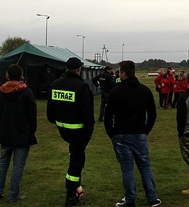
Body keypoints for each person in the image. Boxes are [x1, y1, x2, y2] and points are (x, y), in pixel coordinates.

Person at [104, 60, 161, 207]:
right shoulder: (144, 90)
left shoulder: (115, 91)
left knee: (127, 169)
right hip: (139, 134)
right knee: (144, 166)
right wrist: (145, 130)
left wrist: (111, 133)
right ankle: (152, 198)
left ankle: (130, 199)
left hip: (121, 134)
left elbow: (108, 116)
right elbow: (152, 114)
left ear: (123, 73)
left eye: (119, 71)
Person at [47, 57, 94, 206]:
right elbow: (88, 115)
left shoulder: (55, 84)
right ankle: (71, 194)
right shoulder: (82, 87)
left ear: (66, 68)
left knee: (75, 157)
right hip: (79, 132)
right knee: (76, 162)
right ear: (79, 69)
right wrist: (88, 133)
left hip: (62, 129)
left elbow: (50, 114)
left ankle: (74, 188)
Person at [0, 64, 38, 203]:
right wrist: (31, 130)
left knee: (3, 163)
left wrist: (1, 125)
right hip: (22, 133)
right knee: (18, 165)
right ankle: (13, 195)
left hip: (5, 132)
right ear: (21, 76)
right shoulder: (26, 92)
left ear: (7, 75)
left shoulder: (0, 92)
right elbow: (32, 114)